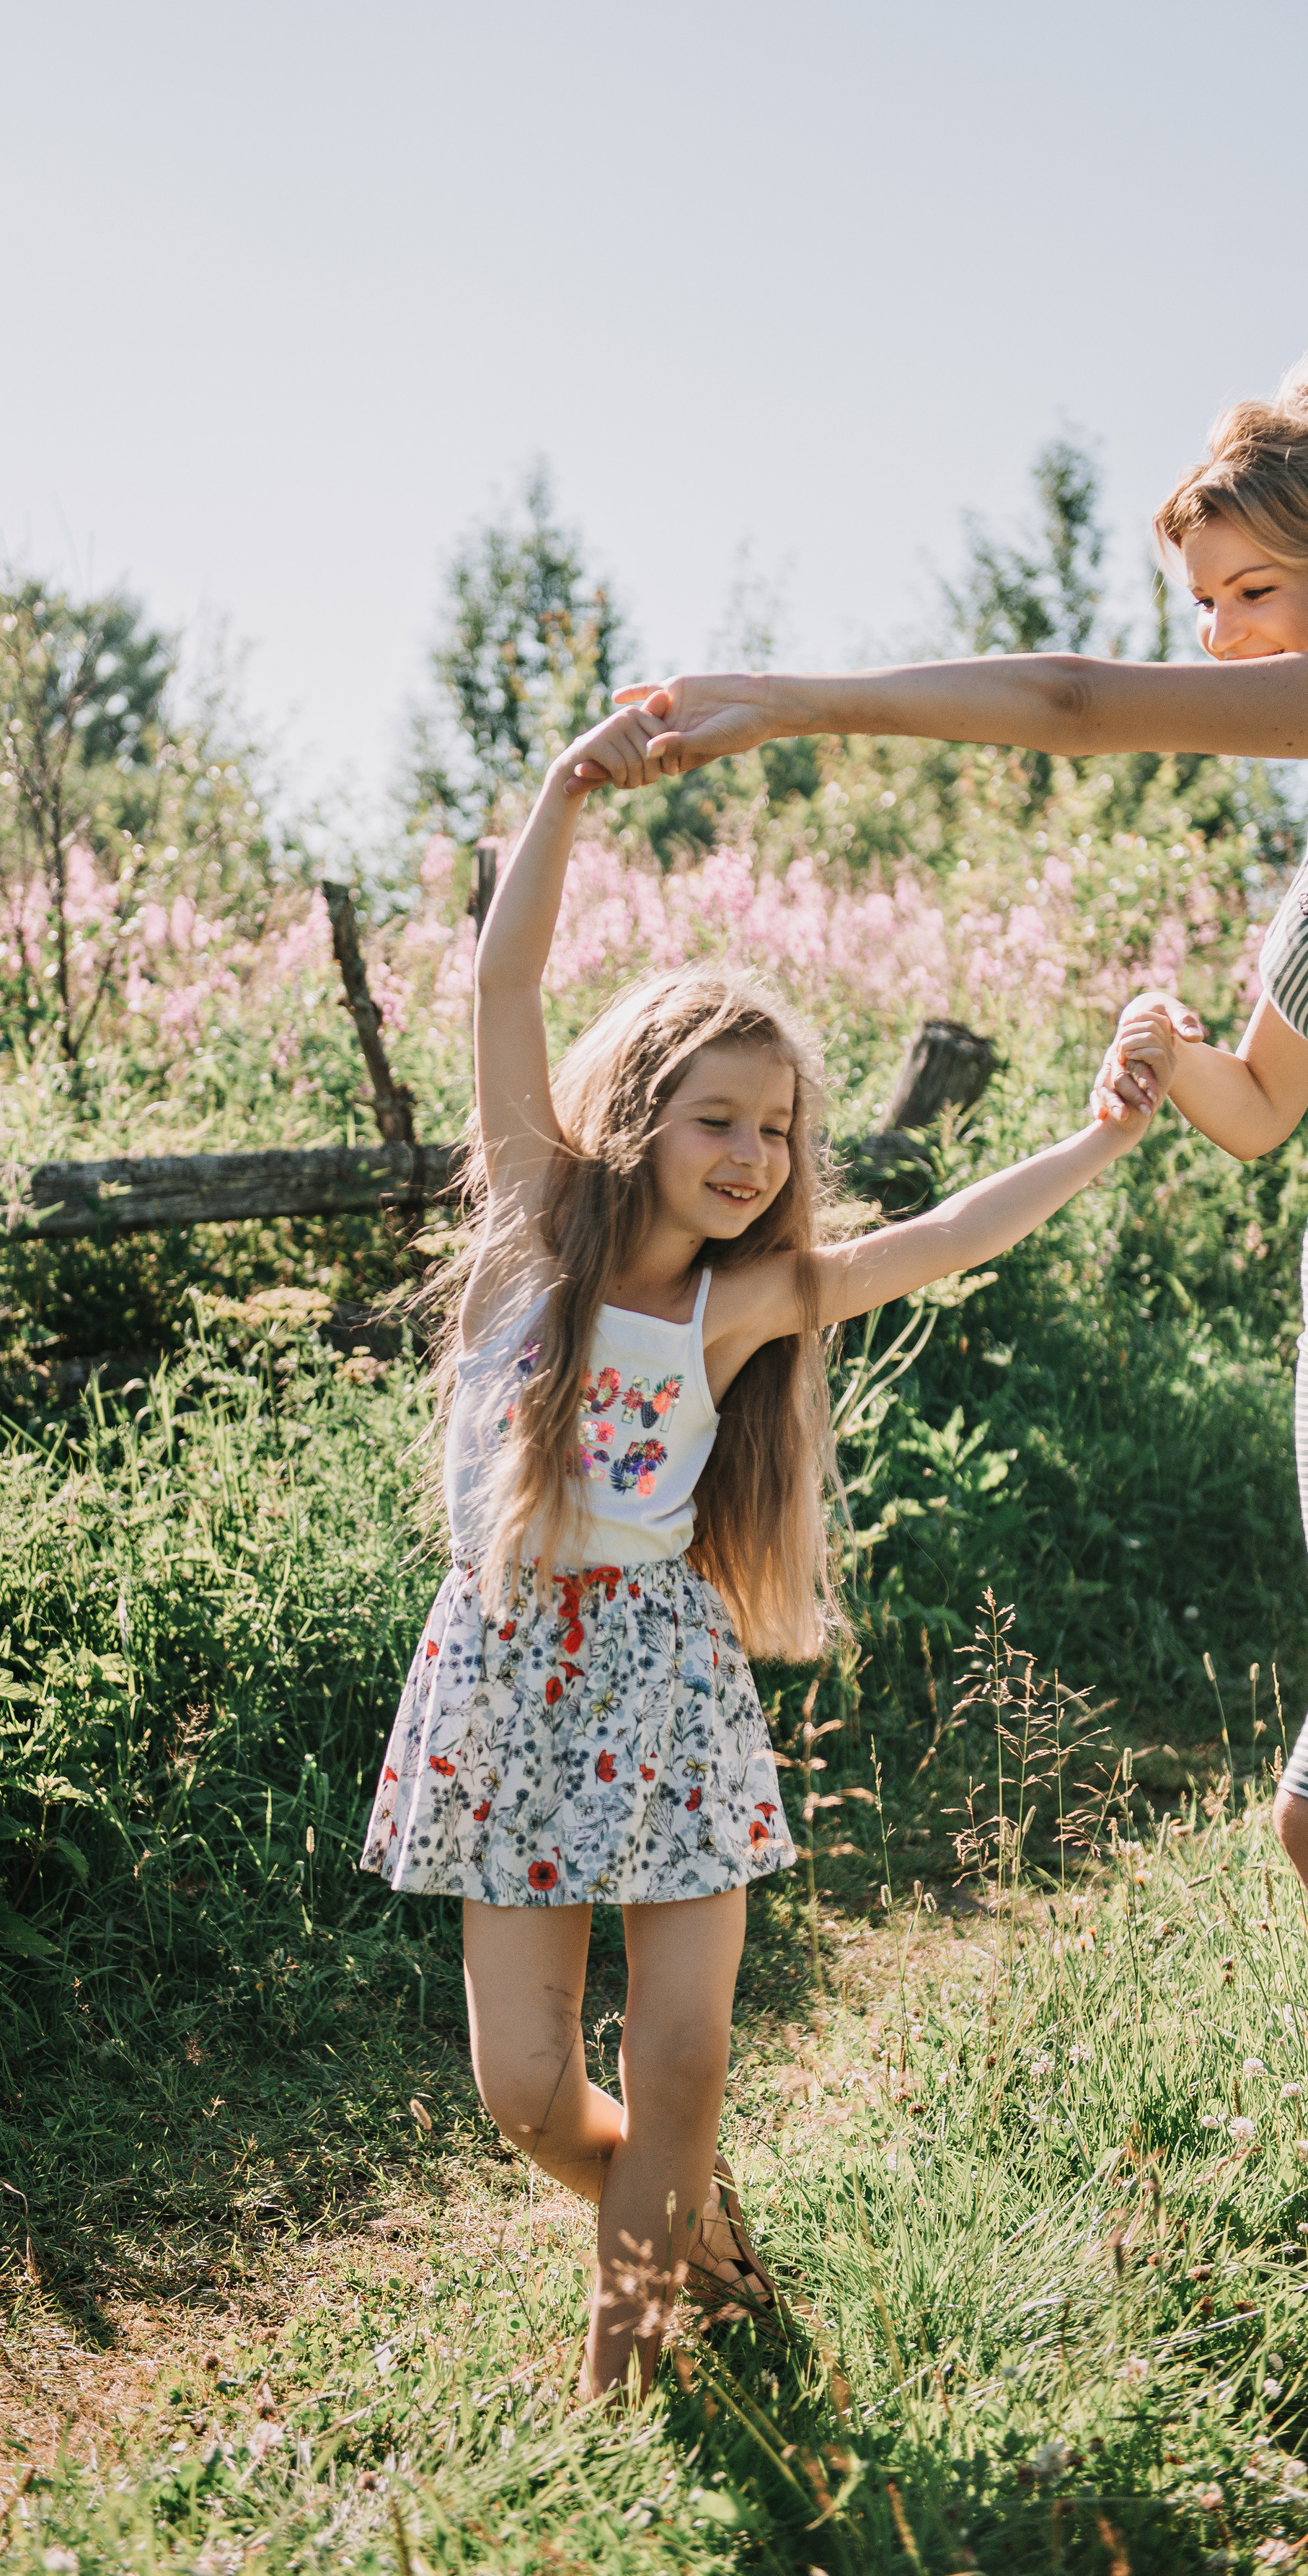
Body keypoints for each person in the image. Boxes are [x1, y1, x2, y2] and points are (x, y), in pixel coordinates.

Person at [614, 354, 1308, 2490]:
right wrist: (1165, 1046)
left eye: (1246, 594)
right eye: (1199, 604)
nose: (1215, 643)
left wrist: (795, 695)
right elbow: (1267, 1108)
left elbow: (1083, 710)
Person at [359, 704, 1159, 2401]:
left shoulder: (748, 1306)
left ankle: (623, 2368)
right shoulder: (527, 1226)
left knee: (681, 2046)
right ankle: (703, 2246)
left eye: (779, 1129)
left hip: (661, 1669)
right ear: (639, 1112)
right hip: (500, 1661)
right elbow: (503, 994)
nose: (753, 1157)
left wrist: (1099, 1136)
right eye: (719, 1118)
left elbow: (941, 1239)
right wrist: (563, 786)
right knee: (520, 2086)